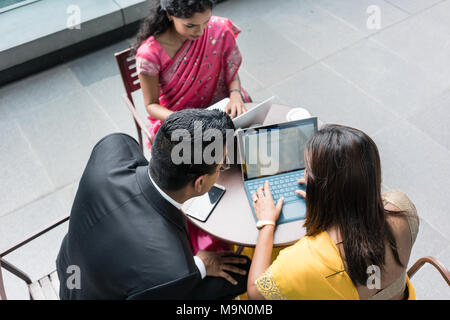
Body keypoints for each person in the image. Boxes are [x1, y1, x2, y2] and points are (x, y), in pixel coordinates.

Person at [56, 109, 250, 300]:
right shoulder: (175, 273)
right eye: (220, 166)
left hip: (70, 271)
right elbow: (167, 279)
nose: (222, 168)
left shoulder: (114, 145)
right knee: (244, 273)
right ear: (199, 182)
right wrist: (201, 265)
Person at [246, 125, 420, 300]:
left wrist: (267, 224)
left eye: (308, 170)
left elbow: (256, 294)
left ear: (323, 187)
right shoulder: (401, 206)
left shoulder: (303, 261)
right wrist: (326, 198)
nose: (305, 174)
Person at [131, 0, 251, 254]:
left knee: (252, 148)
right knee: (189, 172)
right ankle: (208, 235)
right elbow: (151, 105)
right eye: (191, 25)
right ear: (169, 14)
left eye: (205, 22)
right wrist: (186, 121)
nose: (200, 31)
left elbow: (232, 73)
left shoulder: (219, 29)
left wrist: (237, 93)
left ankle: (248, 202)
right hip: (178, 118)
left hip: (220, 107)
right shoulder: (149, 54)